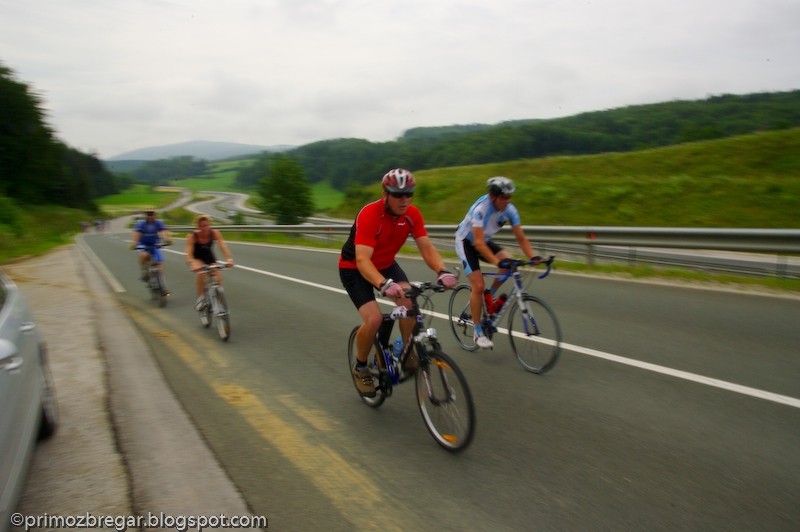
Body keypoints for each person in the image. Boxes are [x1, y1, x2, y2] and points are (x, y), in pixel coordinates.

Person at [339, 168, 457, 397]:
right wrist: (383, 284)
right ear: (385, 193)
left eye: (409, 194)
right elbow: (363, 260)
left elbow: (427, 248)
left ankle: (408, 350)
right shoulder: (370, 214)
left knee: (409, 300)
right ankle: (361, 367)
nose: (404, 200)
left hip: (385, 264)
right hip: (354, 268)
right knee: (373, 319)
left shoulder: (412, 214)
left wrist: (441, 270)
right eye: (397, 194)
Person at [455, 176, 540, 349]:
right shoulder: (481, 209)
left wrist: (533, 257)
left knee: (508, 261)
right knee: (478, 286)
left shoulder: (510, 210)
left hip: (483, 240)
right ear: (493, 196)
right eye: (503, 198)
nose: (507, 201)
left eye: (509, 197)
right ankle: (478, 332)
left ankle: (490, 296)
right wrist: (496, 262)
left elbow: (521, 237)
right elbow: (477, 243)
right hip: (466, 242)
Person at [185, 214, 234, 310]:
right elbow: (188, 252)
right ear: (198, 227)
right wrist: (191, 262)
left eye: (207, 225)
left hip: (209, 258)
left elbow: (223, 245)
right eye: (203, 226)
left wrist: (229, 259)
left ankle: (219, 302)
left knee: (218, 276)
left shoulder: (214, 233)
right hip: (197, 259)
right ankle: (200, 298)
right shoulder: (192, 236)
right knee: (201, 273)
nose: (206, 228)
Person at [130, 207, 172, 296]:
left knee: (160, 263)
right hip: (143, 244)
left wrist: (167, 239)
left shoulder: (159, 222)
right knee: (144, 255)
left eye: (151, 214)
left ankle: (163, 287)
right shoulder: (141, 224)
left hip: (154, 244)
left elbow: (163, 231)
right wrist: (134, 243)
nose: (150, 216)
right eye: (148, 214)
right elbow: (137, 234)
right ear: (145, 215)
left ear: (155, 214)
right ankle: (144, 271)